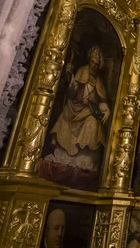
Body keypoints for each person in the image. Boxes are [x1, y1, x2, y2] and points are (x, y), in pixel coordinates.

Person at [39, 46, 110, 190]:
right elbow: (72, 91)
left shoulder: (99, 81)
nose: (94, 66)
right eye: (92, 62)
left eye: (97, 64)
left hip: (89, 111)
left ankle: (83, 159)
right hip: (74, 107)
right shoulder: (82, 71)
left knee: (92, 123)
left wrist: (106, 109)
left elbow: (101, 100)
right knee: (65, 116)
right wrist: (71, 81)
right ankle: (64, 158)